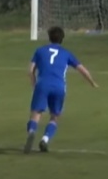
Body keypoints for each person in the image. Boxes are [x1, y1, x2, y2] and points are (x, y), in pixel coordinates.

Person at [24, 26, 98, 154]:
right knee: (55, 116)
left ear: (49, 37)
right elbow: (82, 69)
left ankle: (31, 132)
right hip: (59, 87)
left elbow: (30, 71)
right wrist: (92, 82)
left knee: (36, 113)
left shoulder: (40, 51)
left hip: (42, 85)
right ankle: (45, 139)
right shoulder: (66, 53)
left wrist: (34, 84)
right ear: (62, 39)